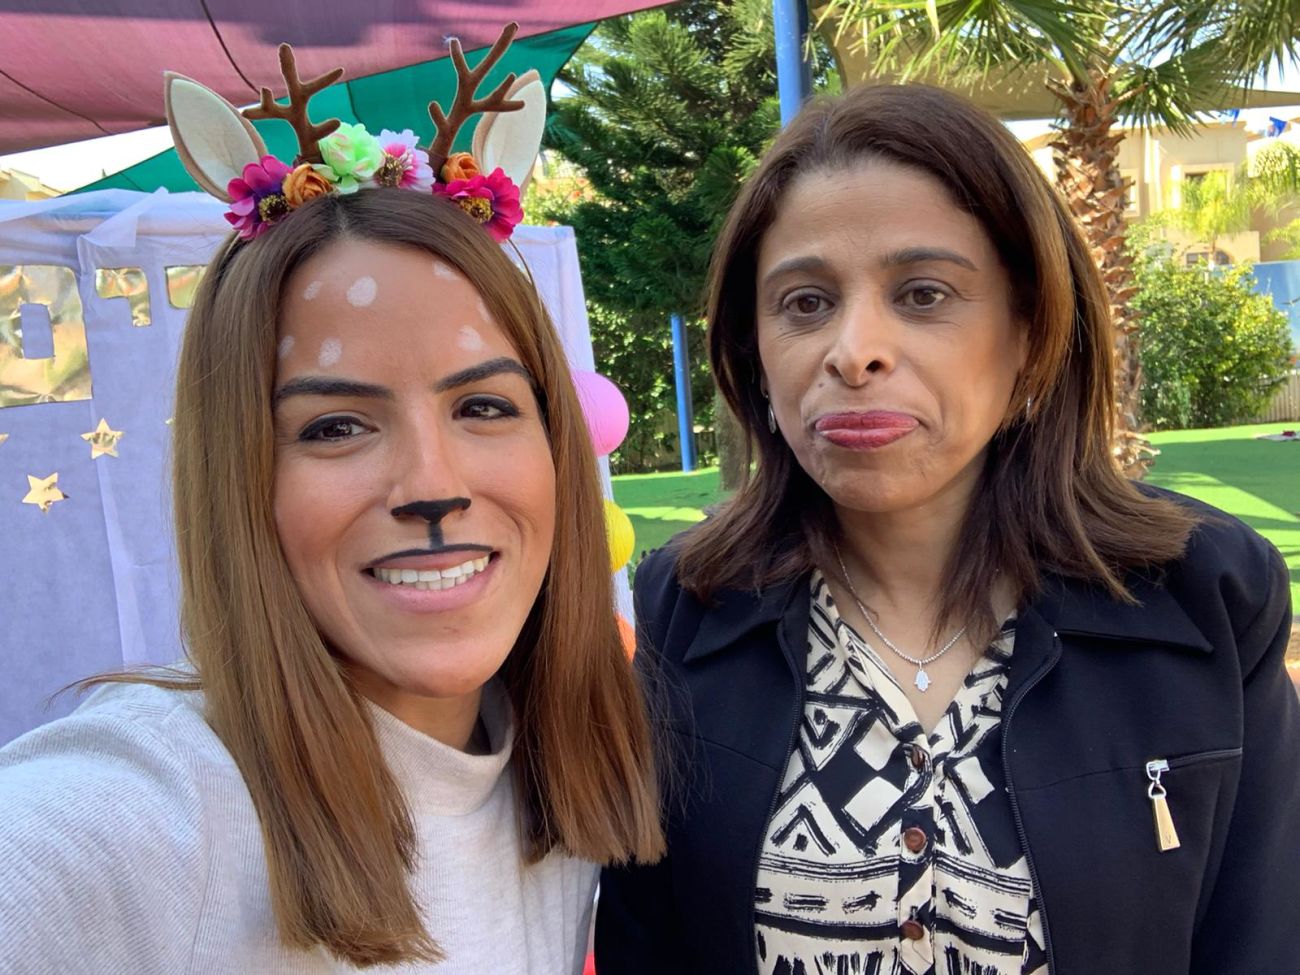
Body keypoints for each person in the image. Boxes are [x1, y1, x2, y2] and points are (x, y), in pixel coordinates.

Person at [596, 82, 1300, 975]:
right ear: (754, 349)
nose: (854, 350)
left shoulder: (1203, 597)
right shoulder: (689, 607)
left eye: (924, 293)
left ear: (1029, 330)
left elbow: (1263, 937)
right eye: (805, 302)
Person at [0, 34, 662, 975]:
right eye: (335, 426)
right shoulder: (141, 811)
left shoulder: (560, 770)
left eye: (483, 406)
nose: (431, 484)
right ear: (241, 475)